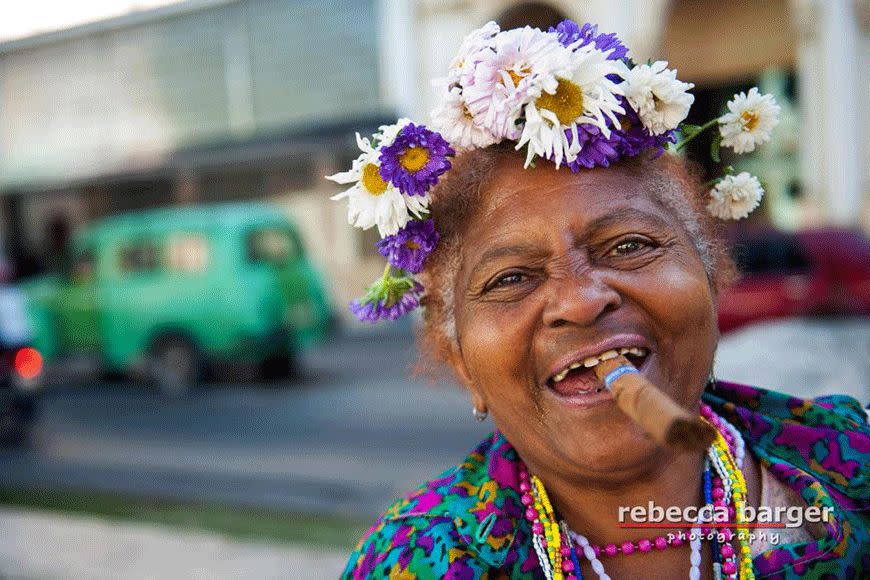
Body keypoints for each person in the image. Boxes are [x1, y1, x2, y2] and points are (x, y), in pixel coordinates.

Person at [328, 20, 869, 579]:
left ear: (708, 278)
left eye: (630, 245)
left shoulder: (853, 468)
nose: (582, 301)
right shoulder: (416, 565)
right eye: (511, 279)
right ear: (461, 358)